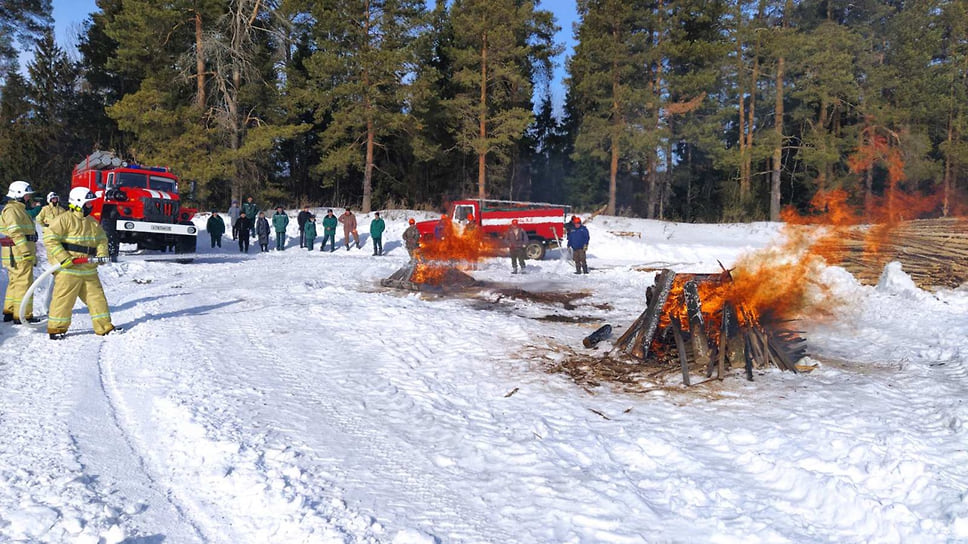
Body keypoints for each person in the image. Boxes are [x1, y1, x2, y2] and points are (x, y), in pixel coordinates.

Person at [44, 187, 117, 338]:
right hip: (69, 270)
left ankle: (105, 328)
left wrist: (102, 254)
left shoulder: (92, 223)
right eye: (88, 204)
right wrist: (64, 258)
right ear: (78, 203)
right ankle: (56, 330)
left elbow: (102, 240)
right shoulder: (64, 220)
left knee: (97, 299)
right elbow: (50, 239)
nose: (91, 206)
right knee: (64, 301)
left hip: (89, 269)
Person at [1, 180, 39, 323]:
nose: (28, 198)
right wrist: (26, 251)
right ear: (18, 195)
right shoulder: (13, 210)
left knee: (15, 283)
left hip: (15, 253)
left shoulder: (18, 209)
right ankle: (23, 315)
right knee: (24, 283)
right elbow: (16, 233)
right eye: (27, 195)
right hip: (18, 254)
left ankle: (10, 311)